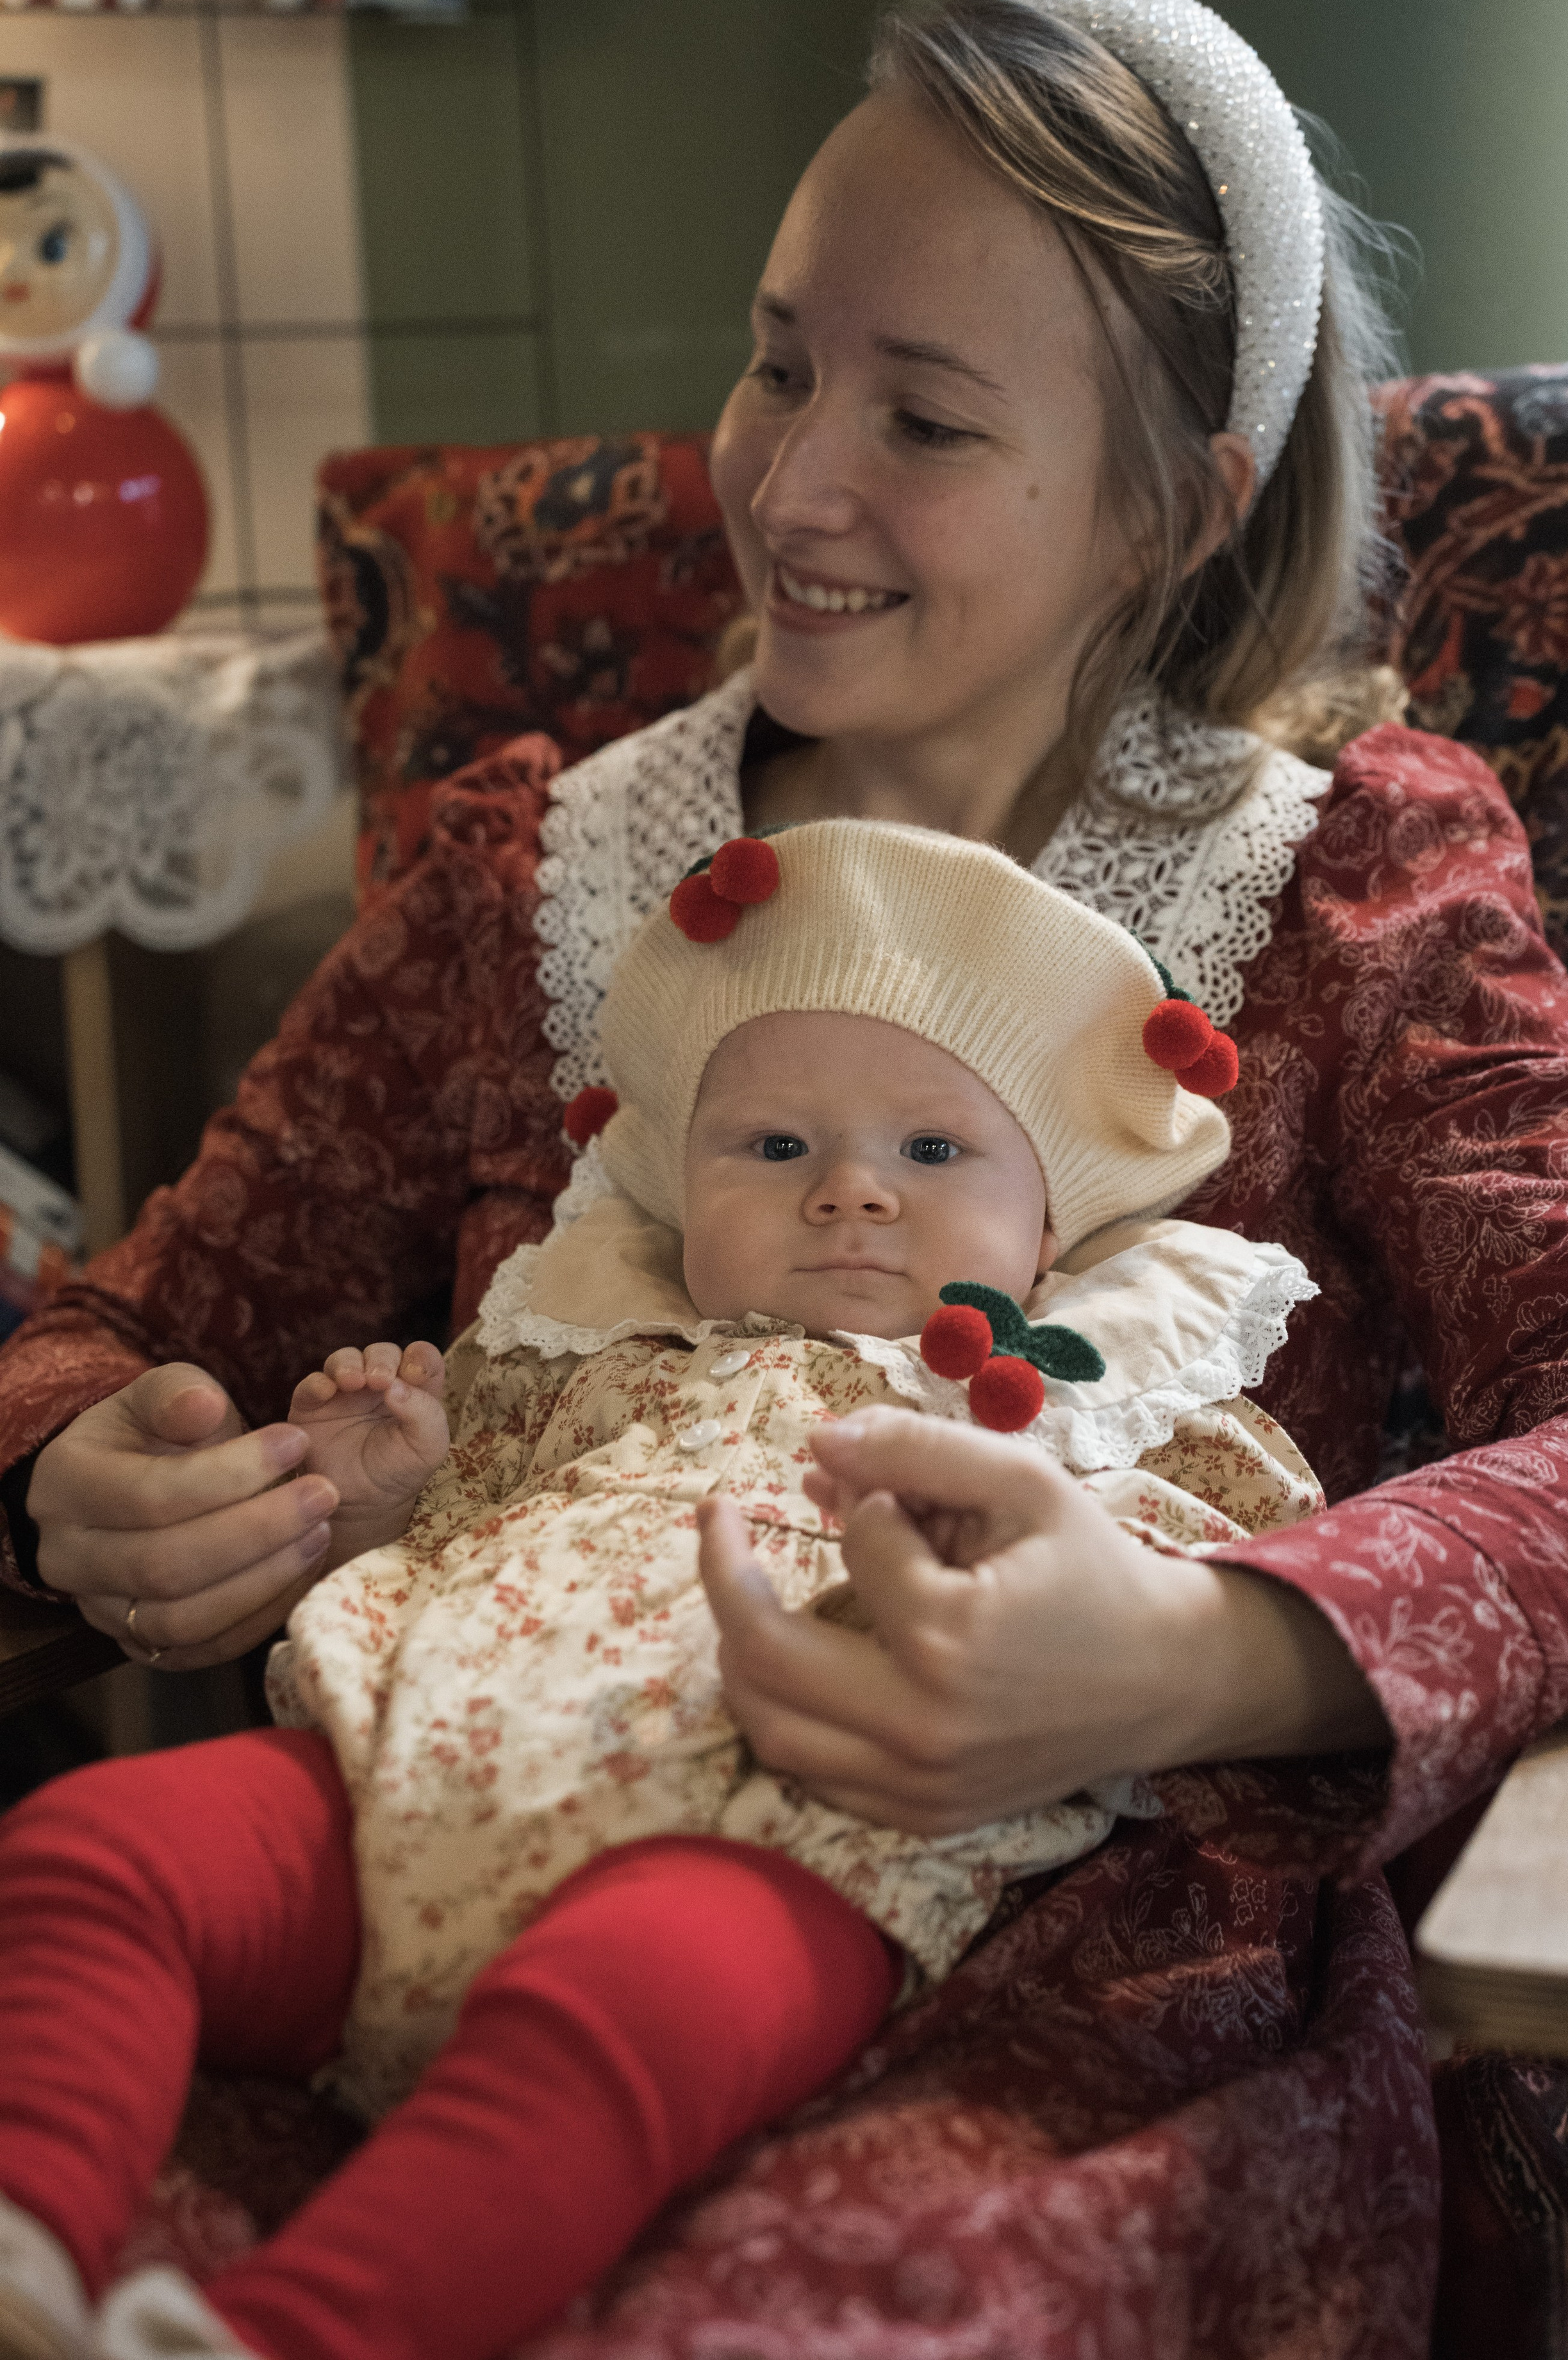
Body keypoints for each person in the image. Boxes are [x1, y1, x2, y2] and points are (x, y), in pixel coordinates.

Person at [0, 0, 1568, 2357]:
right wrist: (83, 1469)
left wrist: (1209, 1650)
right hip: (422, 1883)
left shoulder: (1356, 893)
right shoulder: (522, 891)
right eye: (780, 360)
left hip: (1071, 1994)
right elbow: (114, 1331)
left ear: (1187, 496)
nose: (789, 479)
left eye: (929, 418)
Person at [0, 819, 1323, 2360]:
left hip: (787, 1841)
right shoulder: (573, 1358)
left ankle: (298, 2333)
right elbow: (450, 1543)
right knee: (93, 1846)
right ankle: (29, 2226)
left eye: (931, 1151)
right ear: (679, 1196)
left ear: (1050, 1229)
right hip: (408, 1772)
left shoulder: (1101, 1408)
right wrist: (365, 1510)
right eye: (773, 1149)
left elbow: (1227, 1584)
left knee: (621, 2023)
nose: (848, 1194)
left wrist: (1066, 1578)